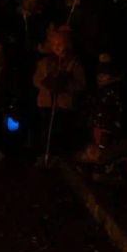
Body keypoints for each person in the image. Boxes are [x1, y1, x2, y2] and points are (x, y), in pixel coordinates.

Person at [34, 27, 86, 160]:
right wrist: (47, 85)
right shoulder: (45, 62)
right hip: (46, 103)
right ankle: (45, 155)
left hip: (63, 104)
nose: (57, 47)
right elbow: (36, 79)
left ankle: (60, 157)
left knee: (61, 131)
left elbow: (81, 83)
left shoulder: (73, 62)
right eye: (54, 44)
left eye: (60, 44)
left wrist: (65, 85)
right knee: (46, 131)